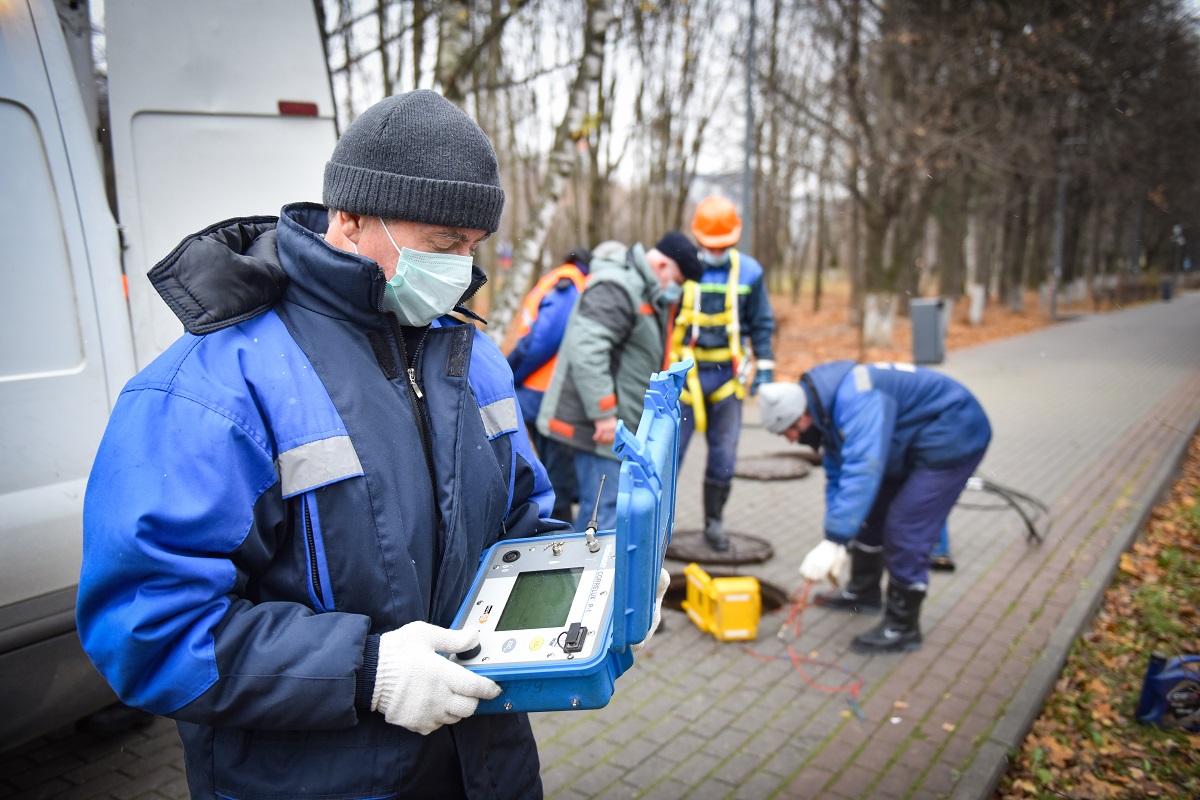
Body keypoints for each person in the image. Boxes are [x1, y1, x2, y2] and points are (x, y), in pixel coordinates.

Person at [76, 90, 577, 800]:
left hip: (488, 773)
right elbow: (149, 628)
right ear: (349, 217)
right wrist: (365, 671)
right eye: (442, 244)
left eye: (471, 248)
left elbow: (521, 525)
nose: (462, 269)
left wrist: (593, 581)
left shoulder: (476, 359)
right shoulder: (214, 385)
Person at [757, 361, 991, 654]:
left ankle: (903, 626)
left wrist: (835, 539)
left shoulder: (857, 399)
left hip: (953, 434)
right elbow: (838, 477)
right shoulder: (826, 408)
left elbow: (863, 467)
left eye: (789, 430)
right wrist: (836, 539)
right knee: (868, 514)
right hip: (906, 441)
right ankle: (864, 593)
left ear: (802, 414)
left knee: (905, 527)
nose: (791, 440)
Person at [537, 233, 705, 532]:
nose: (675, 289)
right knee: (603, 517)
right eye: (676, 280)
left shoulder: (645, 291)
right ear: (663, 264)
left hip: (618, 425)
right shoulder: (618, 287)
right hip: (601, 429)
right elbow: (588, 351)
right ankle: (591, 577)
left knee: (605, 510)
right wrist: (604, 415)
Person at [671, 196, 776, 551]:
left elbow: (761, 322)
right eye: (709, 245)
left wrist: (766, 367)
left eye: (723, 245)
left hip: (726, 379)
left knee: (724, 456)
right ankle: (659, 528)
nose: (716, 251)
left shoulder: (749, 272)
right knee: (669, 455)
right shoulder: (681, 269)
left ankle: (714, 523)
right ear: (698, 239)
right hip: (685, 380)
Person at [507, 247, 591, 521]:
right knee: (556, 475)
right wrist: (513, 373)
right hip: (542, 393)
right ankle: (562, 539)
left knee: (554, 472)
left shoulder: (562, 282)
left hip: (538, 391)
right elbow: (542, 341)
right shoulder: (568, 286)